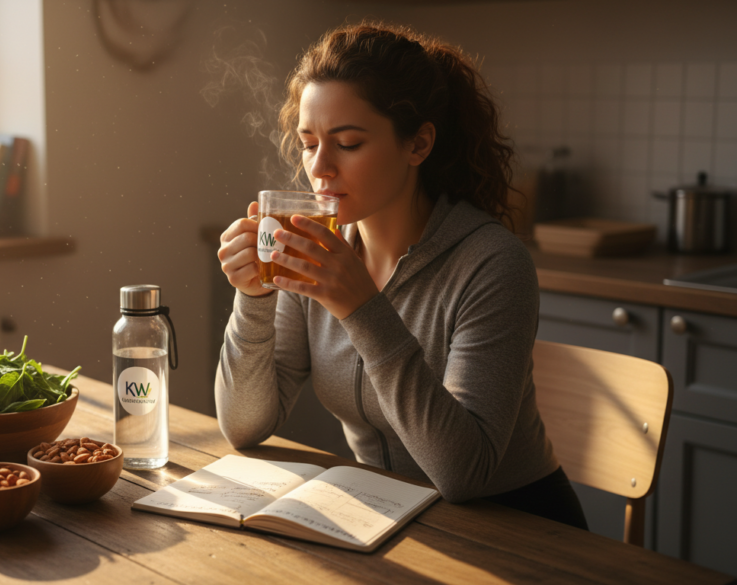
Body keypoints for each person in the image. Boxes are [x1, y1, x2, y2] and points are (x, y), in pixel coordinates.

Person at [214, 21, 588, 530]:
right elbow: (243, 427)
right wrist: (253, 296)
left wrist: (362, 309)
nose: (318, 168)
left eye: (346, 143)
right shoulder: (319, 252)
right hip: (395, 522)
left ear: (418, 145)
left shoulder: (493, 264)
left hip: (519, 530)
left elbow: (463, 473)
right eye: (308, 143)